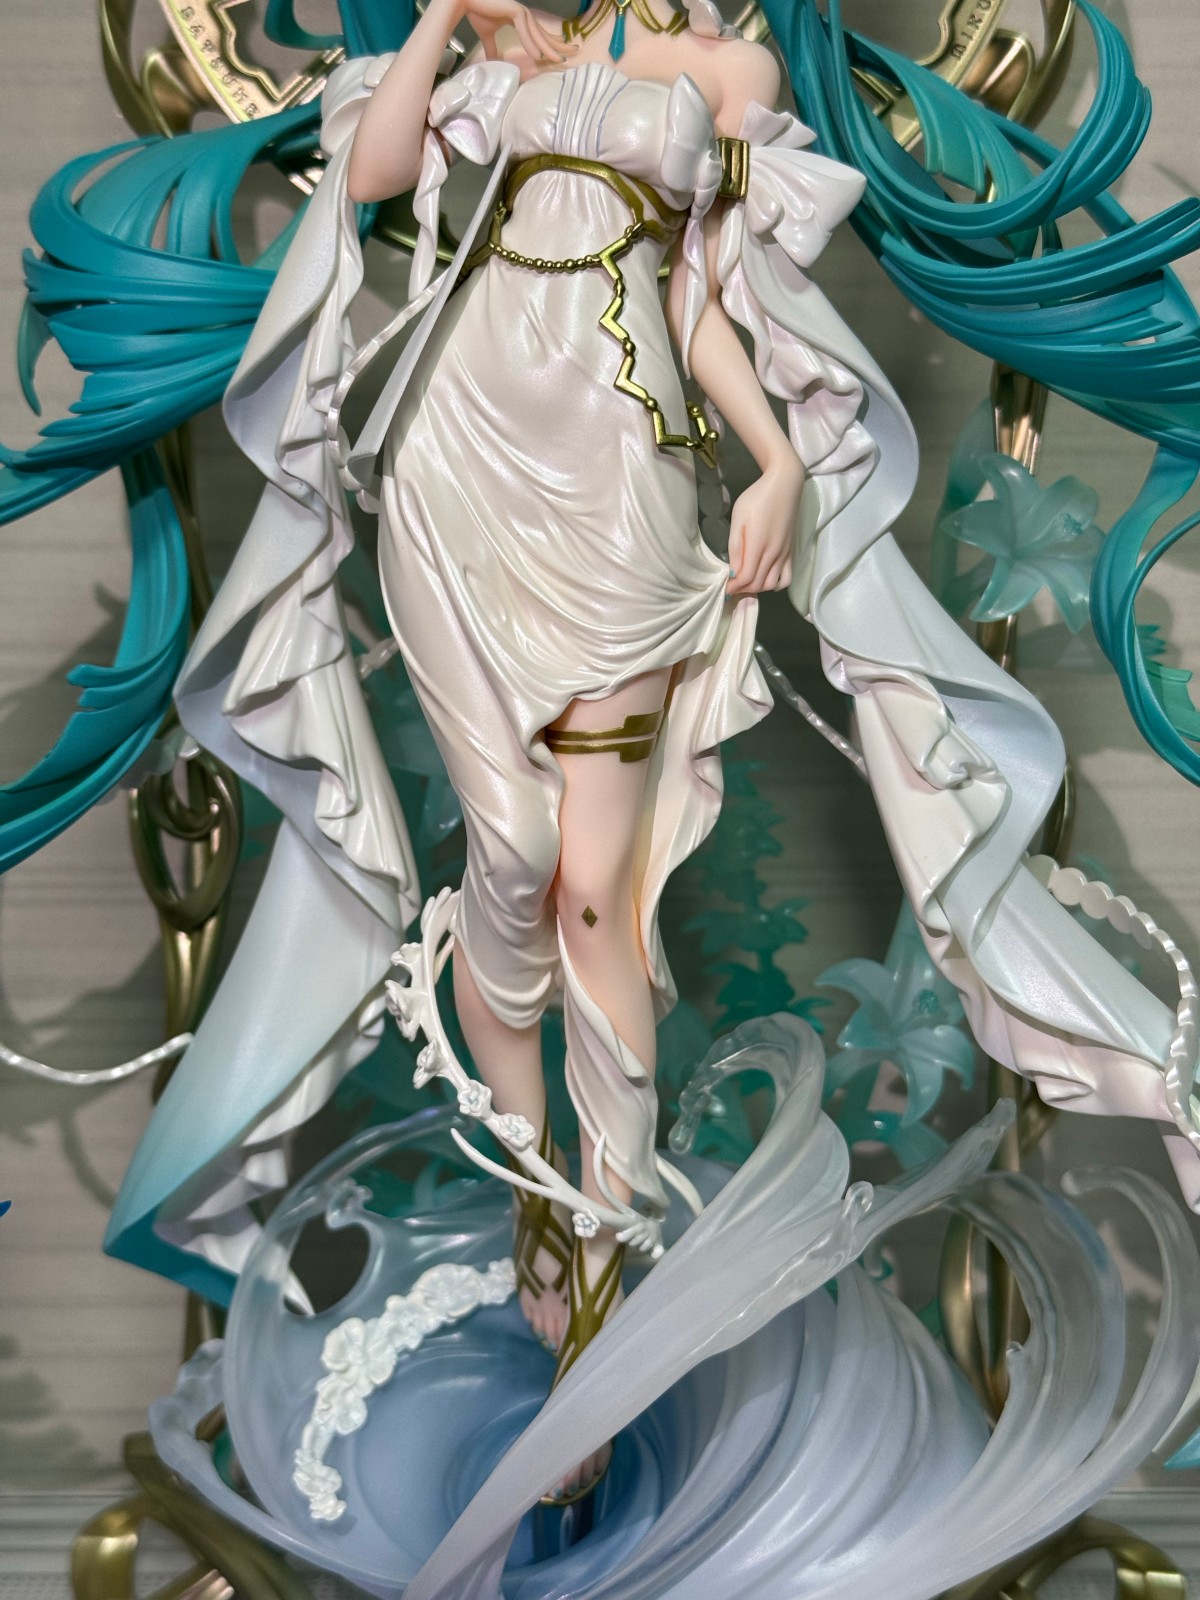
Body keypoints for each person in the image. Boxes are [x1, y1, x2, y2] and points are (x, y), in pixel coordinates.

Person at [103, 0, 1200, 1501]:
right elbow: (368, 178)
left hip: (621, 486)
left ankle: (601, 1270)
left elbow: (702, 295)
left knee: (594, 893)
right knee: (509, 866)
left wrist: (775, 461)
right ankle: (532, 1198)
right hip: (455, 465)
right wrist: (444, 19)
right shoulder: (497, 59)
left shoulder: (729, 69)